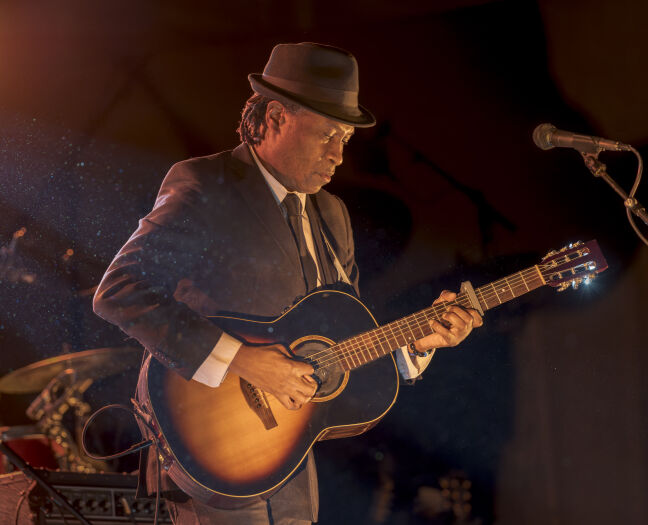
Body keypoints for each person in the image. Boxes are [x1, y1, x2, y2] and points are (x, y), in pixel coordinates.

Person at [93, 42, 483, 524]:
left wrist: (415, 344)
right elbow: (120, 291)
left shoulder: (332, 214)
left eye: (346, 138)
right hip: (210, 449)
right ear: (277, 118)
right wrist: (243, 360)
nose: (339, 155)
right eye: (328, 135)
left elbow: (342, 339)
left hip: (288, 459)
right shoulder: (207, 183)